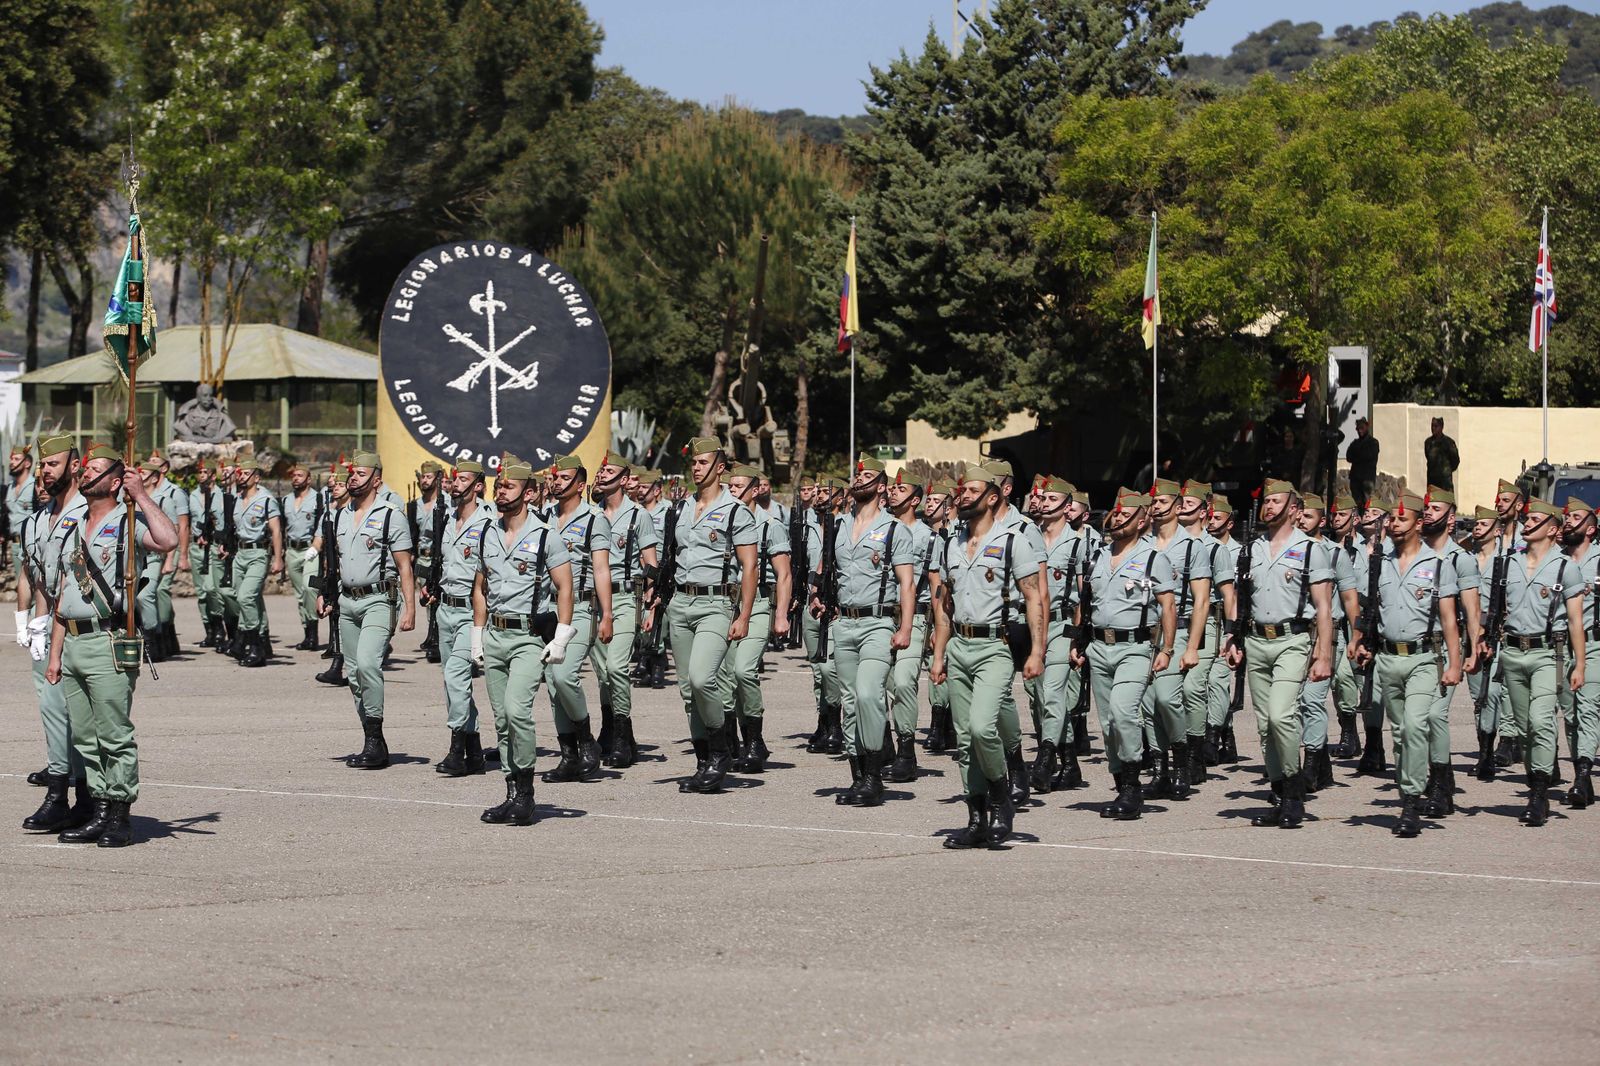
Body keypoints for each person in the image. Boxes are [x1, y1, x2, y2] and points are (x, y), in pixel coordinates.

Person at [46, 443, 180, 846]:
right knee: (85, 737)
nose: (86, 473)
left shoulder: (129, 520)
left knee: (114, 734)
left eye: (96, 469)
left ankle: (120, 815)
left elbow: (168, 540)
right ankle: (99, 809)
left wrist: (142, 495)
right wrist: (55, 653)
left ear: (116, 481)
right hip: (74, 640)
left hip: (108, 639)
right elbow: (65, 593)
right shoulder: (75, 525)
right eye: (85, 469)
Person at [930, 463, 1045, 847]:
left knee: (982, 728)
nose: (962, 496)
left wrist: (1037, 651)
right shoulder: (951, 543)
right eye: (961, 491)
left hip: (995, 647)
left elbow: (1034, 597)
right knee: (965, 741)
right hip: (959, 645)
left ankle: (1001, 798)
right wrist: (939, 654)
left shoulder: (1014, 541)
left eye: (971, 491)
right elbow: (944, 606)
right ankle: (976, 817)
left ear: (992, 497)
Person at [1348, 490, 1464, 836]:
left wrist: (1454, 663)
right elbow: (1370, 610)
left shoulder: (1437, 565)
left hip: (1424, 659)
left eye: (1402, 519)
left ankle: (1411, 802)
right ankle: (1408, 791)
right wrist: (1361, 642)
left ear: (1418, 524)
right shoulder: (1379, 564)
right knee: (1400, 733)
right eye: (1393, 519)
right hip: (1387, 659)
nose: (1395, 524)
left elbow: (1449, 620)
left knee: (1415, 726)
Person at [1224, 479, 1334, 829]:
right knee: (1264, 726)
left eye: (1276, 501)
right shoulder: (1250, 550)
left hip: (1292, 640)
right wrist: (1232, 639)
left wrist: (1324, 654)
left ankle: (1293, 789)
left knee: (1281, 715)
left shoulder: (1310, 549)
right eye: (1266, 501)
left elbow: (1324, 607)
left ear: (1293, 508)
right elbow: (1240, 601)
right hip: (1256, 641)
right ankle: (1279, 790)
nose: (1269, 506)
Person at [650, 437, 757, 794]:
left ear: (720, 468)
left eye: (703, 462)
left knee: (701, 678)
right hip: (681, 603)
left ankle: (721, 750)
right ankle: (703, 761)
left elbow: (750, 566)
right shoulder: (680, 508)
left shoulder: (736, 511)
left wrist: (744, 615)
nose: (696, 468)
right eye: (694, 462)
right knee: (686, 690)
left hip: (716, 604)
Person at [474, 455, 576, 826]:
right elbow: (480, 587)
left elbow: (565, 587)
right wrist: (476, 636)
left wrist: (561, 636)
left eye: (509, 486)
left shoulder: (546, 535)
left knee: (517, 711)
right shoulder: (487, 532)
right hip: (495, 634)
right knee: (502, 720)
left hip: (528, 637)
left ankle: (527, 794)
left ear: (529, 493)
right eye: (498, 486)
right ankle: (511, 792)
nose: (500, 491)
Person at [813, 455, 915, 806]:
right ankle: (858, 776)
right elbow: (826, 572)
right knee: (850, 702)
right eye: (856, 476)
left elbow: (906, 584)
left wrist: (905, 627)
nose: (858, 481)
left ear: (881, 486)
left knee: (869, 693)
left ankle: (874, 775)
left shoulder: (894, 529)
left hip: (878, 623)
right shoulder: (837, 526)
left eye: (867, 476)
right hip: (844, 623)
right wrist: (817, 597)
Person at [1072, 486, 1175, 821]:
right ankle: (1120, 783)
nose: (1117, 520)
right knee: (1107, 723)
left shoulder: (1153, 558)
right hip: (1099, 647)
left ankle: (1133, 786)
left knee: (1123, 712)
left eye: (1125, 515)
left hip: (1135, 647)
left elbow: (1168, 606)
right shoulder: (1097, 557)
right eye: (1115, 514)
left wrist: (1167, 649)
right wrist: (1077, 642)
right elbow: (1085, 603)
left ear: (1142, 521)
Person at [1489, 496, 1587, 827]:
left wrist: (1580, 665)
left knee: (1541, 719)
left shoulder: (1565, 567)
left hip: (1548, 654)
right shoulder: (1510, 563)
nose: (1528, 524)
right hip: (1513, 652)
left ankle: (1539, 794)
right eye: (1527, 519)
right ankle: (1537, 780)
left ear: (1553, 530)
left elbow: (1575, 620)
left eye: (1535, 521)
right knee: (1524, 728)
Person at [316, 451, 417, 769]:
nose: (354, 478)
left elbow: (405, 566)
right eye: (352, 473)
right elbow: (333, 562)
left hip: (379, 599)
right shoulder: (339, 516)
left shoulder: (390, 515)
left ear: (376, 480)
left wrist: (410, 608)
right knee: (354, 674)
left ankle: (374, 740)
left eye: (361, 473)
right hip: (346, 601)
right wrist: (324, 593)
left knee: (368, 664)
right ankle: (373, 740)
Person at [17, 434, 90, 833]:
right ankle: (60, 794)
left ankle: (83, 797)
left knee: (80, 718)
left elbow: (73, 582)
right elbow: (41, 580)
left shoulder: (86, 514)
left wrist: (53, 629)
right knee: (52, 712)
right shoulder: (37, 520)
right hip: (49, 628)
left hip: (76, 629)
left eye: (53, 464)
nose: (45, 471)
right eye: (43, 465)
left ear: (74, 467)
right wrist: (35, 624)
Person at [1137, 477, 1213, 801]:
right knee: (1147, 703)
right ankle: (1160, 770)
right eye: (1153, 502)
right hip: (1144, 633)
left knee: (1167, 698)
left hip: (1177, 631)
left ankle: (1182, 760)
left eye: (1162, 502)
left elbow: (1202, 601)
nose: (1156, 508)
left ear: (1178, 507)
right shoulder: (1141, 544)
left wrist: (1192, 647)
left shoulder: (1193, 547)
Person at [542, 454, 613, 783]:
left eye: (564, 477)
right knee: (552, 684)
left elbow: (601, 569)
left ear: (581, 484)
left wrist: (607, 613)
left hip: (582, 607)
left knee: (563, 675)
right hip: (548, 608)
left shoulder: (594, 519)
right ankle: (568, 755)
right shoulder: (544, 516)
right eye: (555, 477)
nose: (557, 482)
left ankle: (586, 741)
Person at [590, 450, 660, 769]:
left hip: (624, 597)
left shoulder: (638, 516)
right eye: (601, 471)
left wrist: (651, 604)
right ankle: (611, 730)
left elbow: (651, 562)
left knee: (617, 666)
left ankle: (621, 733)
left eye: (609, 472)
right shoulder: (592, 515)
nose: (602, 475)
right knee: (602, 672)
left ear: (624, 479)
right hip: (593, 599)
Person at [423, 460, 491, 777]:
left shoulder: (488, 522)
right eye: (455, 479)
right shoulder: (448, 519)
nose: (456, 484)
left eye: (463, 479)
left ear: (478, 486)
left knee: (456, 677)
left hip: (471, 612)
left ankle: (457, 749)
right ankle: (474, 751)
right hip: (445, 609)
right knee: (453, 684)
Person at [722, 463, 791, 773]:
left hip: (760, 603)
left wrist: (781, 614)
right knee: (724, 677)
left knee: (743, 670)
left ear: (754, 490)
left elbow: (784, 574)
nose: (732, 492)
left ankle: (754, 740)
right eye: (730, 487)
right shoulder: (723, 520)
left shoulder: (769, 525)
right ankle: (731, 741)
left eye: (738, 487)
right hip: (726, 604)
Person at [1420, 486, 1481, 816]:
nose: (1428, 513)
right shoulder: (1412, 555)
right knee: (1413, 720)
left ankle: (1441, 785)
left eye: (1435, 508)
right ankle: (1433, 774)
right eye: (1426, 508)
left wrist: (1473, 649)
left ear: (1451, 518)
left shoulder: (1461, 559)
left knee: (1435, 714)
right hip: (1413, 648)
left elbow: (1472, 609)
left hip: (1445, 647)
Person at [1026, 476, 1089, 794]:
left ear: (1067, 506)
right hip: (1033, 625)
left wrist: (1078, 637)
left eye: (1052, 499)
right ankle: (1071, 764)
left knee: (1052, 692)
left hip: (1062, 626)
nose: (1044, 503)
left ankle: (1046, 756)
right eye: (1043, 498)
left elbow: (1084, 595)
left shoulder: (1078, 543)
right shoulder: (1028, 538)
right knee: (1039, 697)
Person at [883, 469, 939, 783]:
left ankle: (906, 751)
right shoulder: (879, 529)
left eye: (901, 489)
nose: (893, 492)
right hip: (879, 616)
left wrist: (938, 630)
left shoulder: (929, 537)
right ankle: (883, 744)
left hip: (915, 617)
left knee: (904, 682)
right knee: (878, 684)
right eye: (892, 488)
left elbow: (938, 588)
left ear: (916, 500)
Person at [1177, 481, 1234, 781]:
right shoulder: (1168, 545)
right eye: (1181, 502)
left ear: (1204, 511)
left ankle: (1196, 753)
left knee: (1193, 688)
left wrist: (1231, 634)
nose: (1182, 507)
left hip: (1207, 624)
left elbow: (1228, 595)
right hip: (1171, 625)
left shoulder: (1215, 549)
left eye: (1189, 504)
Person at [1558, 497, 1599, 810]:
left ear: (1591, 527)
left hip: (1594, 643)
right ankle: (1580, 774)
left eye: (1575, 517)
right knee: (1569, 712)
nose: (1568, 521)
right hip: (1561, 647)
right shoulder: (1555, 561)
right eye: (1567, 517)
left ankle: (1583, 776)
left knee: (1587, 706)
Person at [224, 458, 283, 668]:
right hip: (239, 554)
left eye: (245, 473)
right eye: (239, 473)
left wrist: (278, 559)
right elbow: (233, 529)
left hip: (258, 553)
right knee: (247, 598)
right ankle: (257, 641)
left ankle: (254, 646)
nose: (241, 476)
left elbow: (276, 530)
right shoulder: (236, 499)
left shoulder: (266, 500)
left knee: (246, 596)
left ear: (256, 477)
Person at [802, 476, 845, 754]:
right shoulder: (806, 526)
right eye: (817, 492)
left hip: (835, 605)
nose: (818, 496)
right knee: (818, 670)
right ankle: (824, 722)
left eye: (826, 492)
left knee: (831, 670)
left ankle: (837, 725)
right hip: (810, 603)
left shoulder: (845, 526)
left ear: (841, 497)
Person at [134, 452, 189, 661]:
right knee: (134, 599)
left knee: (145, 595)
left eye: (144, 474)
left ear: (155, 477)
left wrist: (170, 560)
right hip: (136, 556)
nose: (140, 476)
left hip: (154, 557)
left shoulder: (164, 500)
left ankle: (153, 640)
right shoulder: (132, 500)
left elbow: (174, 532)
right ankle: (149, 636)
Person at [1468, 504, 1509, 779]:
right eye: (1476, 524)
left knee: (1492, 692)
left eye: (1483, 525)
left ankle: (1489, 753)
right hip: (1470, 634)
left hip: (1496, 634)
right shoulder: (1466, 559)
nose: (1477, 528)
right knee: (1478, 696)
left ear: (1497, 531)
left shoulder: (1506, 562)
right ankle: (1484, 750)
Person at [1202, 497, 1244, 763]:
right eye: (1211, 517)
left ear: (1230, 523)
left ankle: (1213, 738)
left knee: (1218, 682)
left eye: (1218, 518)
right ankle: (1227, 739)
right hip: (1204, 620)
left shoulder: (1240, 552)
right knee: (1206, 685)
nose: (1212, 522)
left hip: (1224, 621)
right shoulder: (1201, 547)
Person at [920, 479, 958, 754]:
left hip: (958, 610)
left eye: (936, 501)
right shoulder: (927, 534)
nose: (929, 505)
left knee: (953, 665)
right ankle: (938, 724)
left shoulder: (958, 534)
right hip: (933, 608)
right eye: (929, 500)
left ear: (949, 506)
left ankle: (951, 724)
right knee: (936, 660)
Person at [408, 461, 448, 663]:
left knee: (441, 597)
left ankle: (441, 637)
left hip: (441, 556)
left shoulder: (447, 502)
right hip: (423, 558)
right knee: (427, 597)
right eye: (423, 477)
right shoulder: (415, 505)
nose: (425, 480)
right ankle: (433, 636)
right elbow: (412, 533)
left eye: (429, 477)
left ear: (438, 478)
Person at [281, 463, 323, 651]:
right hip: (292, 550)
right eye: (294, 475)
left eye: (300, 475)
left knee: (309, 588)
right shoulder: (286, 500)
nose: (295, 478)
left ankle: (314, 633)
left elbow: (322, 525)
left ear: (308, 479)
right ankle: (307, 634)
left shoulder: (317, 499)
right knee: (299, 595)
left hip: (310, 549)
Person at [188, 461, 226, 649]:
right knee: (201, 592)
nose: (201, 475)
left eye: (205, 472)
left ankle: (220, 627)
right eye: (200, 472)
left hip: (213, 545)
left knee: (212, 588)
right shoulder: (193, 495)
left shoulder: (222, 495)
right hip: (197, 546)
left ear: (212, 475)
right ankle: (209, 630)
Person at [1346, 417, 1379, 506]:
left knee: (1368, 505)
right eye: (1358, 429)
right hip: (1355, 478)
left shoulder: (1373, 442)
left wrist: (1357, 456)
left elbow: (1368, 456)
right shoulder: (1355, 443)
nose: (1360, 431)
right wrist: (1359, 455)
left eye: (1362, 428)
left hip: (1367, 478)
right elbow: (1348, 457)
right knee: (1357, 504)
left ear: (1367, 427)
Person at [1423, 417, 1460, 492]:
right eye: (1432, 426)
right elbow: (1428, 457)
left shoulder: (1449, 442)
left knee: (1446, 499)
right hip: (1432, 482)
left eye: (1436, 426)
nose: (1433, 428)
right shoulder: (1428, 442)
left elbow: (1455, 461)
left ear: (1441, 427)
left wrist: (1446, 471)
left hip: (1445, 484)